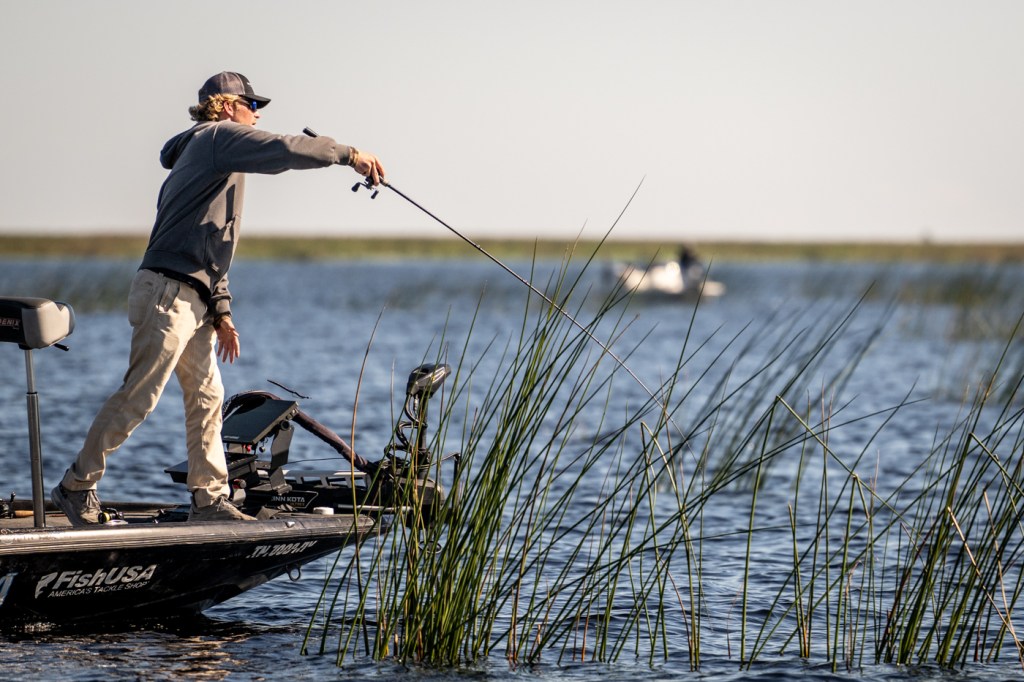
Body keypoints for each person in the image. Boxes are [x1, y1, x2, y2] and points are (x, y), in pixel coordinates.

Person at [51, 71, 385, 525]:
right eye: (252, 105)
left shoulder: (215, 156)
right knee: (139, 396)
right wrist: (350, 155)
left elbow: (211, 240)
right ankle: (76, 486)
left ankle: (208, 501)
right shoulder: (216, 137)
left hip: (193, 298)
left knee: (207, 397)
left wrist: (221, 310)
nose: (257, 114)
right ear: (227, 106)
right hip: (168, 293)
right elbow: (285, 149)